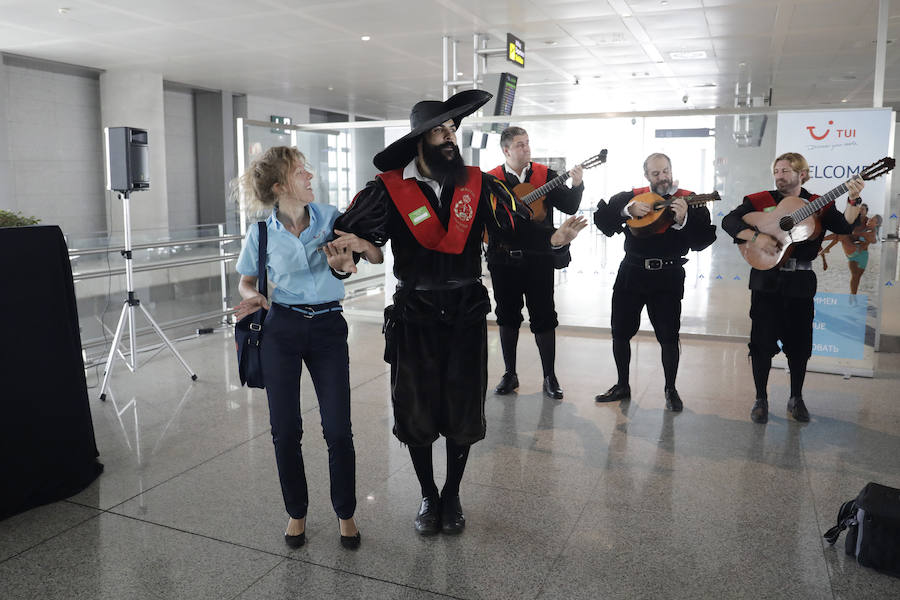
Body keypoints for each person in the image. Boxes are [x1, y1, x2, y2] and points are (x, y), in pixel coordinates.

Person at [329, 90, 585, 536]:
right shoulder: (388, 189)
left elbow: (515, 230)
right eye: (440, 131)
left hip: (466, 309)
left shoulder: (479, 184)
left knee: (463, 406)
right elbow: (364, 245)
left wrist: (554, 240)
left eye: (452, 129)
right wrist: (354, 255)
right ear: (419, 141)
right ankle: (429, 494)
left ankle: (453, 493)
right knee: (417, 408)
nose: (450, 138)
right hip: (414, 313)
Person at [233, 146, 383, 550]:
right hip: (281, 328)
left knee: (338, 428)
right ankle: (296, 511)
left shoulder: (331, 217)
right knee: (285, 430)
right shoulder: (261, 233)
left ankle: (345, 513)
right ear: (281, 186)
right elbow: (248, 280)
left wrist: (351, 255)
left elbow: (372, 253)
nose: (310, 178)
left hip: (328, 327)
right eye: (302, 173)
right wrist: (254, 296)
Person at [722, 152, 862, 424]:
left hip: (800, 283)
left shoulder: (818, 204)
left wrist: (854, 198)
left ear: (803, 174)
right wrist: (756, 236)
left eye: (785, 170)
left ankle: (796, 397)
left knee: (799, 345)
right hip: (765, 282)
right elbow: (730, 222)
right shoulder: (758, 200)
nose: (779, 175)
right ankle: (760, 399)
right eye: (776, 170)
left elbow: (845, 226)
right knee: (761, 344)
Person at [593, 153, 716, 411]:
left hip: (668, 276)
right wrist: (627, 211)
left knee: (668, 336)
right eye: (656, 173)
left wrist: (684, 220)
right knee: (620, 331)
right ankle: (622, 385)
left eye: (666, 171)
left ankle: (671, 390)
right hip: (632, 273)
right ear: (646, 175)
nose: (663, 177)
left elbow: (702, 241)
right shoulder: (631, 196)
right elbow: (602, 220)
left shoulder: (689, 200)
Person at [486, 126, 585, 399]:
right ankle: (509, 373)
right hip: (503, 260)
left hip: (539, 259)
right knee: (507, 316)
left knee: (544, 316)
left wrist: (577, 184)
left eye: (527, 143)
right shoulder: (491, 179)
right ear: (506, 150)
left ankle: (549, 377)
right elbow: (487, 220)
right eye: (520, 144)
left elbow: (569, 206)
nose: (526, 148)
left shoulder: (545, 176)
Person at [820, 205, 877, 296]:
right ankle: (824, 243)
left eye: (862, 209)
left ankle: (853, 296)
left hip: (862, 253)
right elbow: (845, 232)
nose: (860, 211)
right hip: (852, 249)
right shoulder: (853, 220)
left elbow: (872, 238)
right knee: (842, 234)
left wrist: (864, 244)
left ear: (866, 212)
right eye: (859, 209)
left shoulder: (869, 222)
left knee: (856, 277)